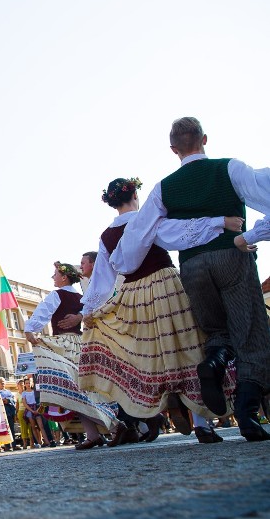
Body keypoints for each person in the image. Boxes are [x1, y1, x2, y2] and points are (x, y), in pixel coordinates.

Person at [111, 117, 270, 442]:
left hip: (193, 268)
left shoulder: (163, 188)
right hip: (233, 257)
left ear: (174, 149)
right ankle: (246, 412)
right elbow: (263, 192)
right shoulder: (230, 168)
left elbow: (142, 235)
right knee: (251, 332)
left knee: (214, 331)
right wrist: (249, 232)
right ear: (205, 139)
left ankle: (213, 362)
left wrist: (122, 265)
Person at [79, 178, 240, 443]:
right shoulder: (147, 217)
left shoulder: (107, 235)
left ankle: (168, 400)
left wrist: (92, 309)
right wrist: (219, 222)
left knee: (149, 355)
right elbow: (177, 233)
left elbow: (103, 277)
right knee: (189, 347)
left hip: (134, 296)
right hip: (166, 284)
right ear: (134, 195)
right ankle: (202, 423)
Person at [24, 262, 120, 450]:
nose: (53, 277)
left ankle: (116, 427)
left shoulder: (57, 295)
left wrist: (30, 330)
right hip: (80, 342)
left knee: (76, 389)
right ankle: (93, 435)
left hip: (65, 344)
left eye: (55, 274)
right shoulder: (81, 297)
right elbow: (88, 311)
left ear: (64, 277)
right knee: (82, 390)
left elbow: (44, 310)